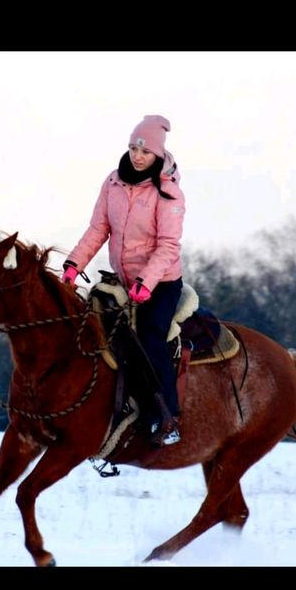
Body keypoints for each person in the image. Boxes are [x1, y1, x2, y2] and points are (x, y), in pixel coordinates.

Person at [62, 114, 185, 445]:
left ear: (157, 154)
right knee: (90, 331)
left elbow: (168, 246)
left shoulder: (168, 192)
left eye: (144, 151)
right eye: (133, 148)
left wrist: (146, 283)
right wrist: (74, 264)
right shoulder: (113, 183)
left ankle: (167, 416)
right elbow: (98, 229)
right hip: (124, 280)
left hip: (160, 283)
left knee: (148, 337)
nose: (137, 156)